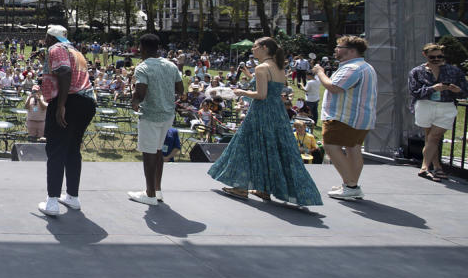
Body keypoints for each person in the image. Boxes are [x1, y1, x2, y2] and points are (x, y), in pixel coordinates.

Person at [207, 37, 322, 207]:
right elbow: (269, 88)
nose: (252, 49)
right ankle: (264, 189)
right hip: (278, 113)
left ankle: (240, 187)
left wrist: (241, 92)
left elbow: (261, 95)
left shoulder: (262, 68)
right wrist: (248, 76)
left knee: (245, 146)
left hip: (261, 111)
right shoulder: (279, 68)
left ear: (264, 48)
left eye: (255, 46)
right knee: (273, 148)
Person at [38, 25, 96, 217]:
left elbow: (64, 72)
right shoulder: (75, 50)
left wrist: (61, 105)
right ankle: (72, 196)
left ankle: (52, 201)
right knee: (72, 149)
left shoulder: (55, 49)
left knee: (56, 149)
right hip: (87, 101)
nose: (44, 41)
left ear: (50, 38)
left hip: (68, 100)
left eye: (46, 37)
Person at [314, 35, 378, 201]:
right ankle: (351, 184)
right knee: (353, 148)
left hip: (344, 117)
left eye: (339, 47)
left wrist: (320, 72)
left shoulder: (353, 68)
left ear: (351, 51)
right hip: (359, 117)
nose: (336, 50)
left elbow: (334, 87)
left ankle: (351, 186)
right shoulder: (364, 66)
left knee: (331, 147)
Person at [128, 33, 184, 206]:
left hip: (151, 115)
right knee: (158, 150)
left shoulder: (143, 67)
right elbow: (180, 89)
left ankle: (150, 194)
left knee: (149, 154)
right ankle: (157, 190)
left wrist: (134, 100)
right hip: (167, 115)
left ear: (142, 48)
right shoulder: (171, 65)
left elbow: (141, 92)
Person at [408, 42, 465, 181]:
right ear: (425, 55)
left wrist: (458, 91)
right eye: (432, 57)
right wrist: (433, 88)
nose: (436, 59)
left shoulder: (454, 71)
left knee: (433, 137)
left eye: (439, 56)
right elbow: (414, 92)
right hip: (425, 105)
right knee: (430, 138)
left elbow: (465, 91)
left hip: (446, 106)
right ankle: (437, 167)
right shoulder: (417, 71)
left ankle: (424, 167)